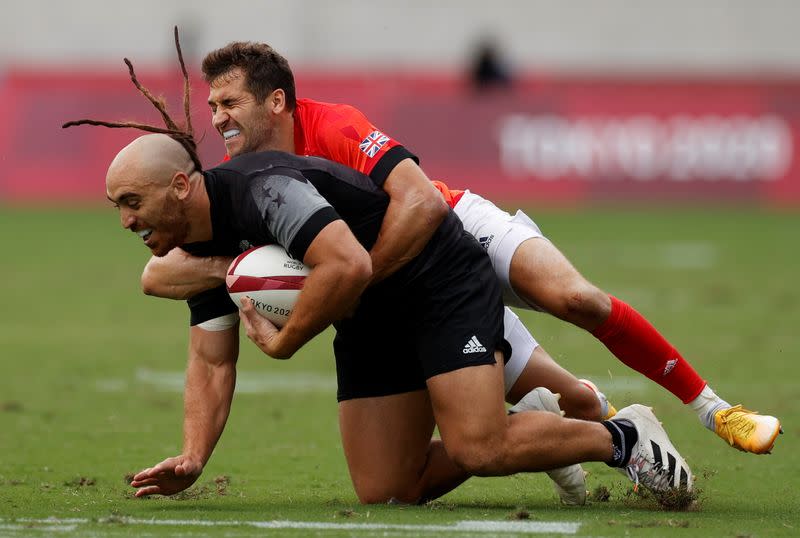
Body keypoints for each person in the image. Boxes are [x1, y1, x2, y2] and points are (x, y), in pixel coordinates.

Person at [141, 41, 781, 456]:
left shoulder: (332, 126)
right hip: (405, 287)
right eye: (213, 105)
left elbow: (419, 202)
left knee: (577, 298)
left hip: (451, 230)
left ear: (276, 101)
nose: (217, 118)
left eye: (229, 103)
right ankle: (608, 434)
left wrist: (357, 283)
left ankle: (715, 411)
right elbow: (161, 274)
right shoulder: (238, 188)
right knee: (569, 399)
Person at [99, 127, 692, 504]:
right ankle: (525, 416)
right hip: (366, 314)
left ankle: (621, 438)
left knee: (477, 449)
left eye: (133, 202)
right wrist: (194, 455)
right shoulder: (204, 252)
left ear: (180, 186)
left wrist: (285, 343)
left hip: (435, 279)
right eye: (116, 206)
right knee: (387, 488)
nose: (125, 220)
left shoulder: (265, 190)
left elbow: (349, 266)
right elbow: (210, 359)